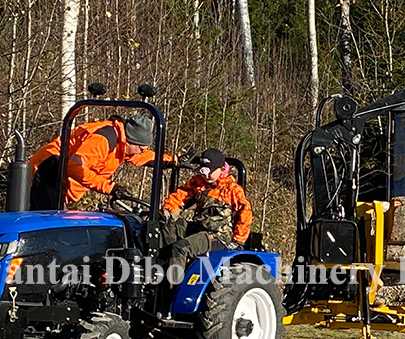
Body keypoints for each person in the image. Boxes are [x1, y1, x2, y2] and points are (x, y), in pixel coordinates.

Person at [28, 114, 166, 210]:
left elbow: (145, 156)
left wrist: (174, 160)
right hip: (45, 173)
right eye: (141, 148)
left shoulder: (122, 146)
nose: (141, 151)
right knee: (52, 229)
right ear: (130, 141)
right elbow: (75, 168)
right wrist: (110, 188)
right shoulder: (103, 140)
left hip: (58, 182)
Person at [160, 147, 253, 282]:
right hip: (199, 229)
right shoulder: (199, 183)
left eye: (209, 171)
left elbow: (245, 214)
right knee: (167, 226)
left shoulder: (231, 190)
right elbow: (182, 195)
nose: (205, 175)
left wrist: (238, 240)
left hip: (217, 236)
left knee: (180, 248)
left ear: (221, 169)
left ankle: (172, 290)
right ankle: (165, 265)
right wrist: (169, 209)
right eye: (203, 170)